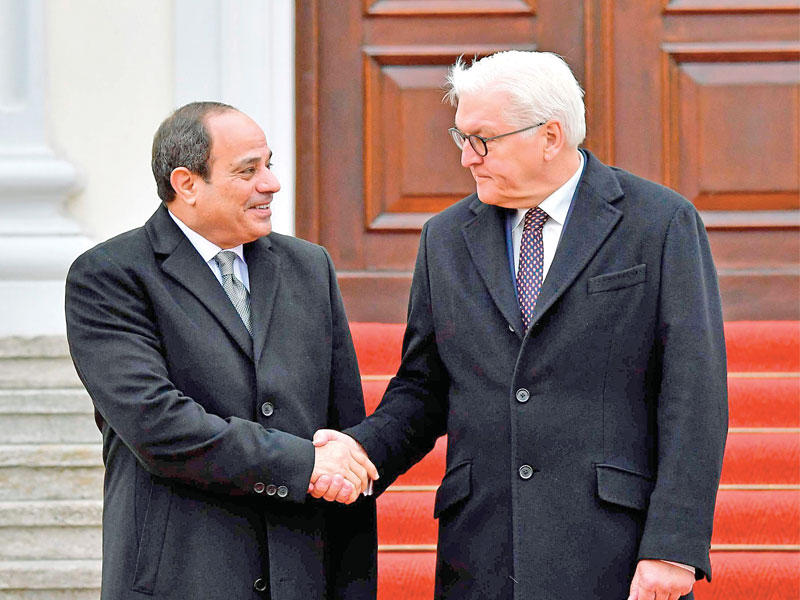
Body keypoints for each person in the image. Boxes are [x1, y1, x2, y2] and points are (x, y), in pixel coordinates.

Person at [312, 51, 728, 600]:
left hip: (612, 551)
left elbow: (694, 393)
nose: (466, 157)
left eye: (482, 140)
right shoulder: (445, 237)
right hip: (481, 554)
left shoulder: (659, 222)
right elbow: (423, 387)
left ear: (550, 137)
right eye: (461, 138)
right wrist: (360, 452)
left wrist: (673, 546)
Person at [65, 101, 378, 600]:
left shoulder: (309, 267)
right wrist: (301, 463)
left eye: (269, 165)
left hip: (300, 576)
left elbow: (342, 427)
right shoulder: (110, 275)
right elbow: (158, 425)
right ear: (187, 183)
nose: (272, 183)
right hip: (181, 579)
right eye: (248, 171)